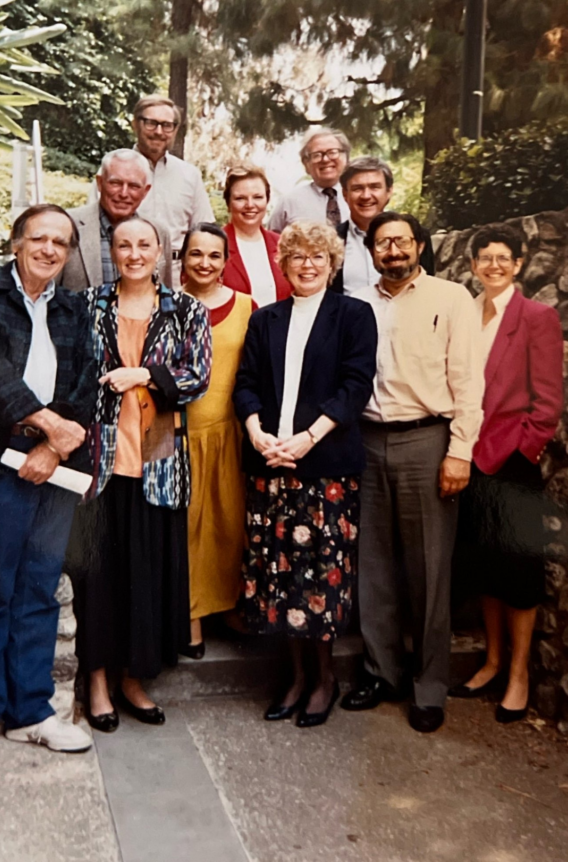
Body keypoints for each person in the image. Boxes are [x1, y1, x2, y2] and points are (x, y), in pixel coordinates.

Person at [0, 205, 96, 768]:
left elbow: (87, 377)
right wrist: (47, 423)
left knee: (38, 586)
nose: (50, 250)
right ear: (16, 241)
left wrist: (55, 444)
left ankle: (32, 712)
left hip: (54, 463)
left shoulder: (74, 307)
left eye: (62, 242)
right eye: (40, 238)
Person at [342, 210, 484, 733]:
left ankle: (429, 685)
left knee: (428, 569)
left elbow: (469, 381)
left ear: (419, 246)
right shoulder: (356, 304)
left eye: (402, 241)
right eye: (383, 243)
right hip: (367, 440)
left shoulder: (451, 299)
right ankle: (382, 673)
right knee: (373, 565)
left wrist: (460, 450)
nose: (393, 251)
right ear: (371, 251)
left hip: (429, 439)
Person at [68, 216, 211, 732]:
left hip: (157, 461)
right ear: (112, 250)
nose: (133, 253)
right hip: (101, 460)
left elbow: (198, 376)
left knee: (146, 577)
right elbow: (72, 371)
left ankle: (134, 678)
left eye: (143, 244)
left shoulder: (186, 308)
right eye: (123, 244)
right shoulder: (89, 304)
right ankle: (100, 681)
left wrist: (146, 374)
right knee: (99, 578)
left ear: (160, 250)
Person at [233, 221, 377, 728]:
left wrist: (308, 437)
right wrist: (256, 432)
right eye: (297, 257)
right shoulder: (266, 318)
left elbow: (355, 387)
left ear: (332, 263)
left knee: (318, 578)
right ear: (284, 263)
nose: (308, 265)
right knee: (277, 579)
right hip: (271, 465)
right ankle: (294, 678)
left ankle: (324, 679)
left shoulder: (353, 315)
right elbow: (245, 382)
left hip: (325, 469)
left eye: (318, 257)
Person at [450, 225, 564, 722]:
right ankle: (493, 661)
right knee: (483, 570)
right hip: (468, 459)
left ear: (518, 264)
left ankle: (518, 673)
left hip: (511, 465)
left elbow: (547, 402)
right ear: (473, 265)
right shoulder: (464, 312)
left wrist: (523, 449)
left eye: (503, 258)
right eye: (485, 258)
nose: (493, 265)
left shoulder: (537, 318)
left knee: (518, 574)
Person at [181, 223, 254, 657]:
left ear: (226, 262)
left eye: (213, 255)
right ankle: (190, 617)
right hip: (181, 436)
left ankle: (229, 606)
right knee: (187, 528)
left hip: (232, 433)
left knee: (230, 525)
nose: (204, 263)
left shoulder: (248, 307)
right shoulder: (167, 306)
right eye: (196, 254)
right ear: (183, 259)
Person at [64, 148, 174, 290]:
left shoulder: (159, 232)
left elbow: (166, 295)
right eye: (115, 183)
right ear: (100, 183)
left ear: (145, 191)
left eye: (134, 186)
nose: (123, 193)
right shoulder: (68, 225)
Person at [132, 94, 214, 285]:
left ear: (175, 130)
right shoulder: (115, 168)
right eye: (151, 123)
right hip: (127, 272)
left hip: (177, 278)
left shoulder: (189, 175)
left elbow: (204, 231)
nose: (159, 131)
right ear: (135, 124)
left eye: (167, 125)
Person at [331, 156, 435, 293]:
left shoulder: (416, 236)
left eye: (375, 187)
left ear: (389, 191)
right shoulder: (331, 240)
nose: (366, 195)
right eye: (357, 188)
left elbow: (428, 289)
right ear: (345, 194)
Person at [222, 162, 292, 306]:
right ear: (228, 203)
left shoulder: (283, 245)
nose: (250, 205)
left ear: (267, 200)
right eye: (240, 198)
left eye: (258, 197)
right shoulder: (215, 245)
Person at [267, 128, 351, 233]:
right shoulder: (289, 202)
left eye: (333, 152)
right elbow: (272, 243)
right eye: (316, 155)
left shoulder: (362, 197)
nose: (325, 159)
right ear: (306, 164)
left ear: (346, 158)